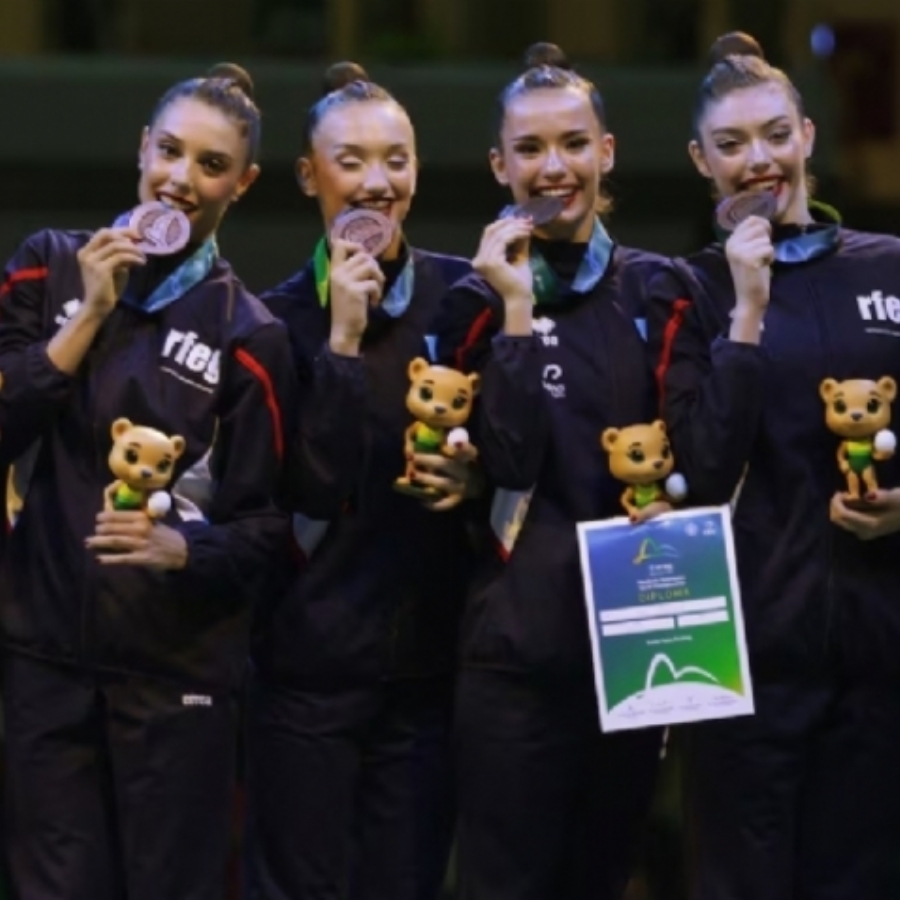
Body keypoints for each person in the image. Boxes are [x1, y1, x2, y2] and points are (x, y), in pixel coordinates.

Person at [0, 63, 296, 900]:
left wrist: (184, 551)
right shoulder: (48, 267)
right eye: (169, 151)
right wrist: (90, 314)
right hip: (45, 663)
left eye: (211, 164)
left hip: (177, 681)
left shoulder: (251, 335)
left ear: (243, 183)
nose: (181, 179)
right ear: (141, 149)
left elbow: (268, 530)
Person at [649, 31, 900, 900]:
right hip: (740, 663)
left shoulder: (890, 267)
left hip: (878, 655)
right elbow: (702, 470)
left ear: (807, 137)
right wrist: (747, 313)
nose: (758, 160)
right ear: (702, 161)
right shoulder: (688, 289)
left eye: (775, 134)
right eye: (731, 143)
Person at [432, 42, 665, 900]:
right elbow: (509, 459)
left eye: (573, 143)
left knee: (602, 879)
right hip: (514, 653)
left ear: (606, 152)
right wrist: (518, 308)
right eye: (529, 149)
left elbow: (705, 457)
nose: (553, 167)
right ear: (500, 165)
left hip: (639, 647)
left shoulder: (662, 291)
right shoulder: (473, 301)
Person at [244, 62, 478, 900]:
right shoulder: (272, 322)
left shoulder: (466, 299)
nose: (377, 183)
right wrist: (342, 341)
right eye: (351, 162)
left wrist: (477, 474)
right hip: (304, 675)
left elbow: (521, 455)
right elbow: (302, 487)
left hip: (428, 676)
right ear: (309, 176)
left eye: (396, 160)